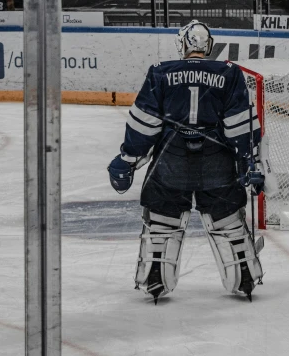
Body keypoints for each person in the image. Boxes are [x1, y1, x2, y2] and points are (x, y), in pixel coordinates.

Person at [108, 20, 265, 304]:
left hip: (172, 160)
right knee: (227, 219)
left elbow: (144, 125)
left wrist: (128, 159)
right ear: (208, 46)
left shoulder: (161, 72)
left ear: (182, 45)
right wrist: (249, 164)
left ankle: (155, 278)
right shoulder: (229, 73)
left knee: (162, 221)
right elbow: (240, 126)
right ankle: (244, 276)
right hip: (216, 163)